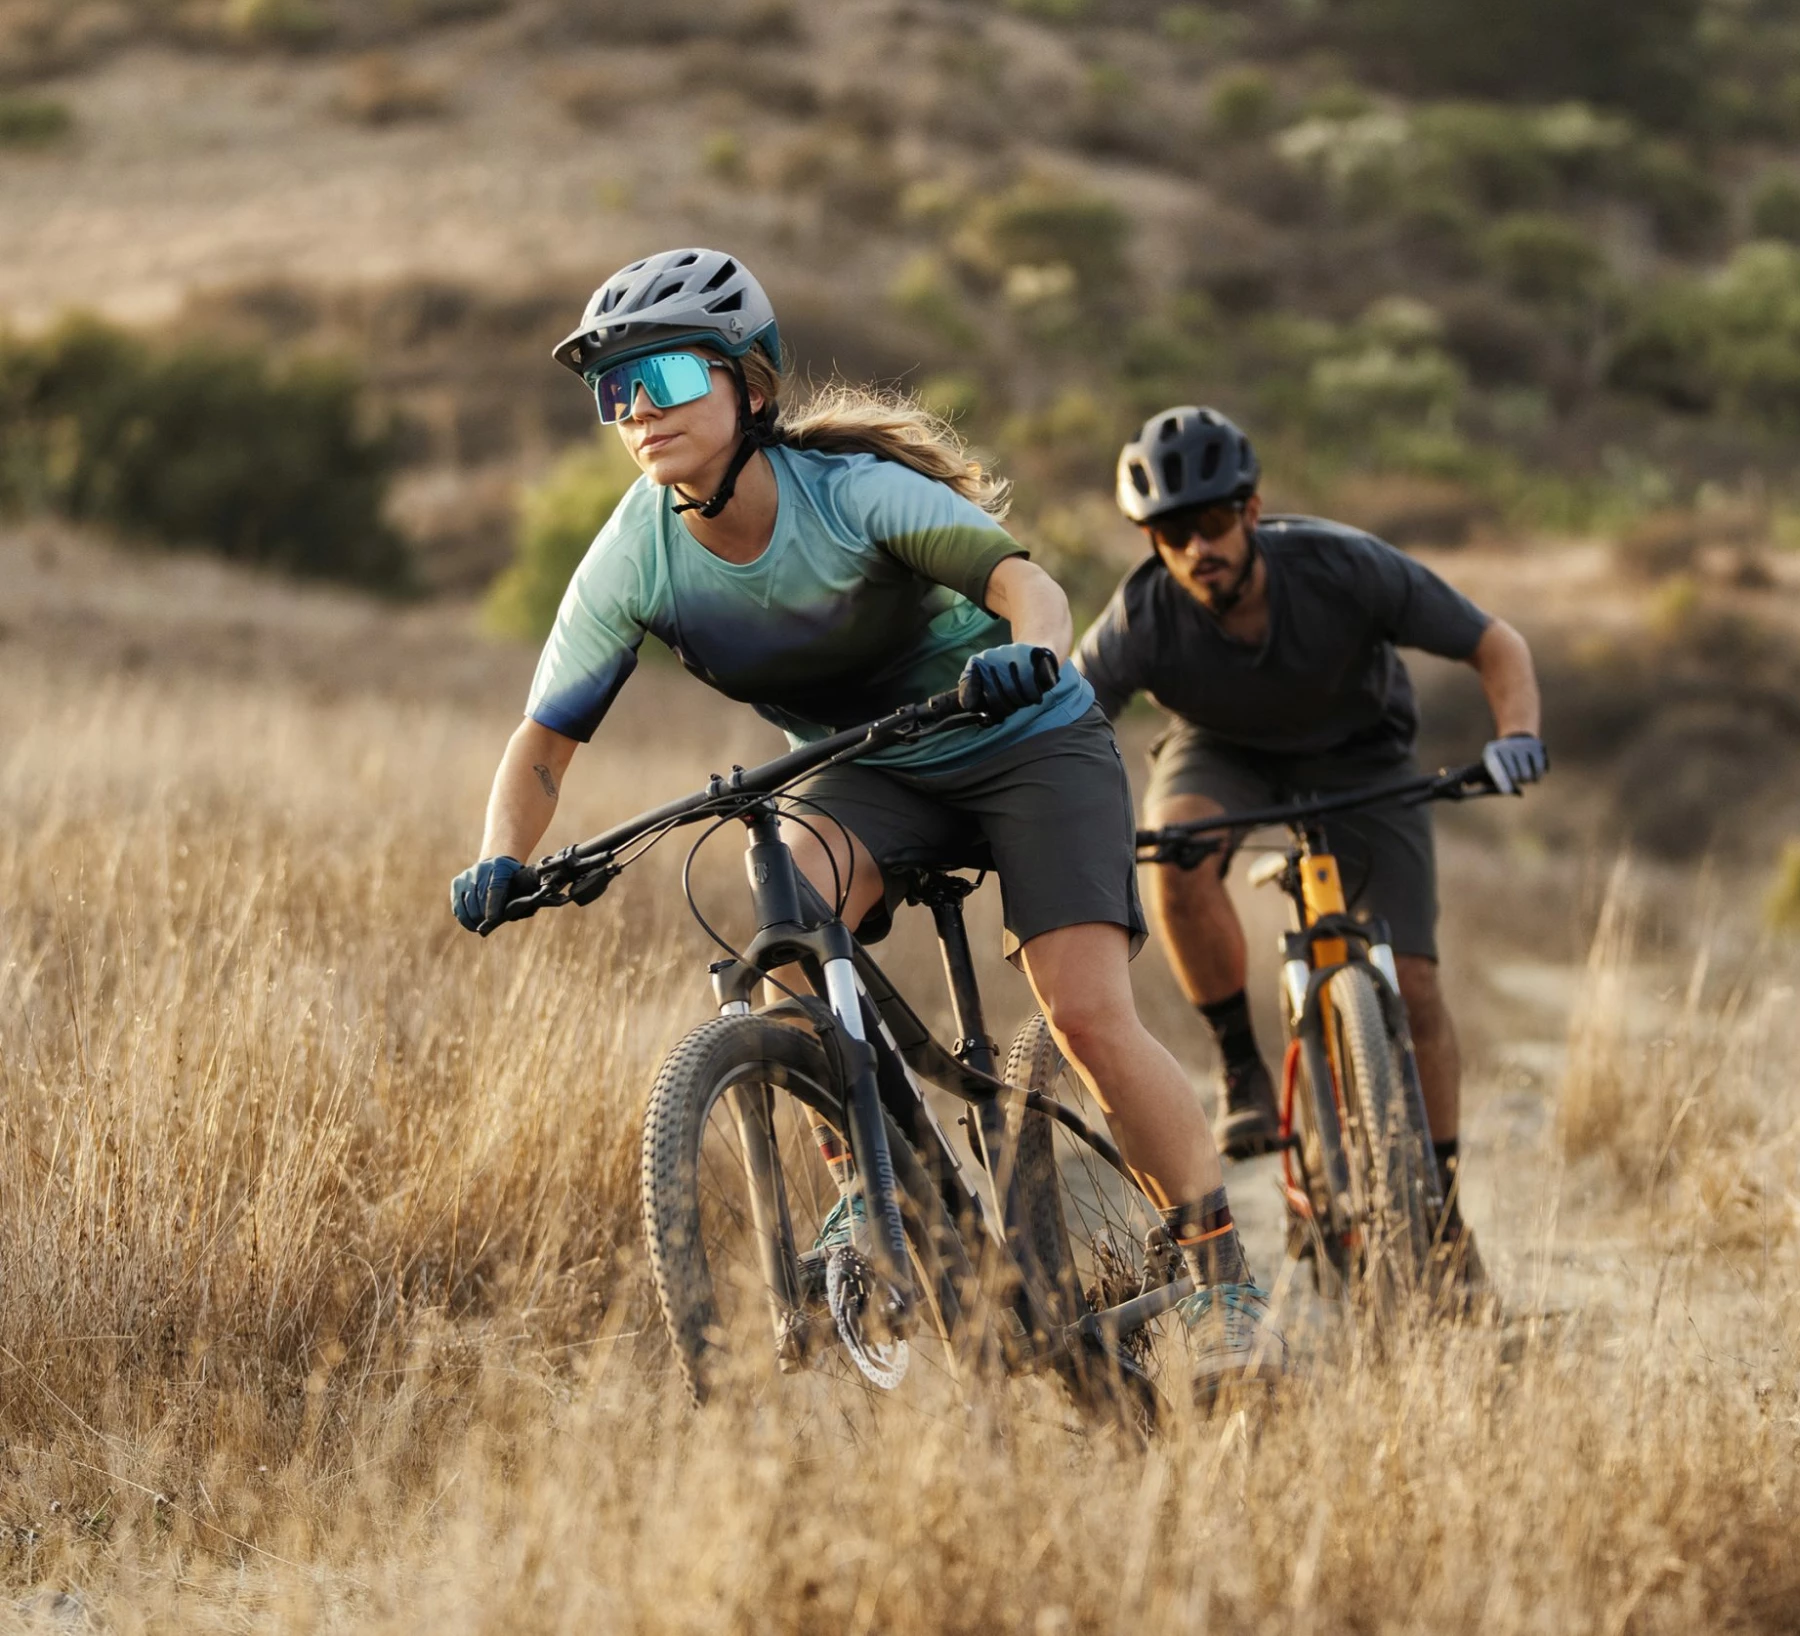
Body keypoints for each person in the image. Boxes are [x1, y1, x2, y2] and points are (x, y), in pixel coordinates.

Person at [447, 251, 1281, 1404]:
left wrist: (1030, 656)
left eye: (668, 373)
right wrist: (503, 857)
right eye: (613, 389)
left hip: (1024, 740)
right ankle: (864, 1190)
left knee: (1082, 1011)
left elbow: (1023, 587)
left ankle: (1218, 1271)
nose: (637, 409)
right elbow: (542, 748)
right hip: (871, 769)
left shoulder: (846, 494)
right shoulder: (633, 553)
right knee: (788, 909)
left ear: (748, 383)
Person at [1074, 405, 1546, 1299]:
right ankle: (1242, 1068)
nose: (1196, 547)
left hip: (1362, 754)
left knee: (1415, 976)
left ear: (1252, 511)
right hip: (1224, 752)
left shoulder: (1342, 565)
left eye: (1213, 521)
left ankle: (1438, 1207)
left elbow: (1495, 642)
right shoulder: (1142, 616)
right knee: (1172, 856)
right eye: (1172, 532)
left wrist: (1516, 734)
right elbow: (1065, 712)